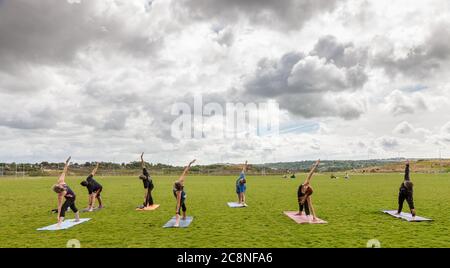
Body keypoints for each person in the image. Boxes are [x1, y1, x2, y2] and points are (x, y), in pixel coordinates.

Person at [52, 157, 79, 227]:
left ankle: (59, 224)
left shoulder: (61, 182)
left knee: (64, 208)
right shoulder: (60, 193)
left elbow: (64, 171)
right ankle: (77, 219)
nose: (63, 187)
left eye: (62, 187)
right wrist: (58, 216)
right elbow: (59, 206)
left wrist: (66, 163)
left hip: (72, 197)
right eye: (62, 188)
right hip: (69, 197)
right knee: (72, 207)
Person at [173, 159, 196, 227]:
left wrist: (177, 210)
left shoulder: (178, 192)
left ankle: (177, 222)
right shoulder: (180, 180)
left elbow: (178, 202)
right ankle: (184, 217)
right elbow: (185, 171)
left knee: (178, 207)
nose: (175, 181)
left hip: (182, 196)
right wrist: (190, 163)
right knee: (183, 205)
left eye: (175, 182)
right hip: (181, 195)